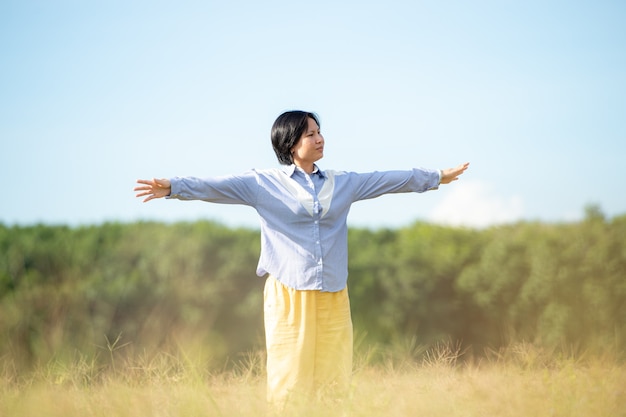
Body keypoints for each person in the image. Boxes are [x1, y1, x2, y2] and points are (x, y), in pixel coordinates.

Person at [134, 110, 469, 407]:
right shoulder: (263, 184)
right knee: (289, 377)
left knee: (333, 377)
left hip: (334, 293)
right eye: (310, 134)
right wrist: (173, 187)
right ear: (291, 143)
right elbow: (214, 186)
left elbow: (389, 180)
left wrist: (437, 176)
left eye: (319, 131)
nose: (319, 138)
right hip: (289, 293)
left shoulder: (342, 183)